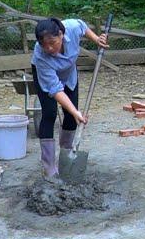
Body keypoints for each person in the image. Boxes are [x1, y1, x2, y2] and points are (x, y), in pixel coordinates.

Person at [31, 17, 109, 180]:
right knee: (50, 114)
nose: (50, 48)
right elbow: (55, 90)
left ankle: (66, 155)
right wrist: (75, 111)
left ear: (61, 34)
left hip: (68, 73)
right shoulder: (40, 57)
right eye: (44, 45)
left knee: (71, 118)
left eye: (53, 42)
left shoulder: (72, 28)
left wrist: (96, 39)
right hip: (47, 77)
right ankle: (49, 167)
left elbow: (82, 25)